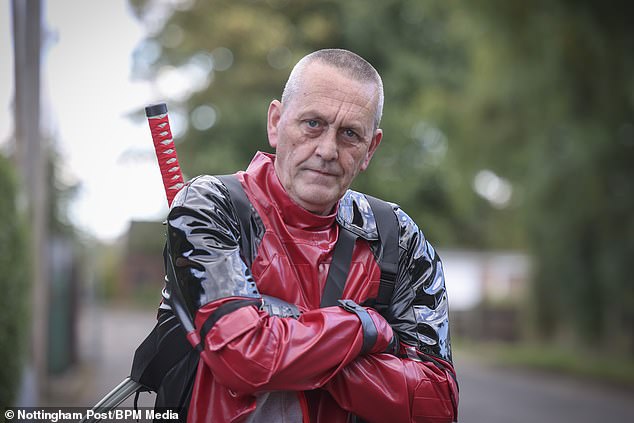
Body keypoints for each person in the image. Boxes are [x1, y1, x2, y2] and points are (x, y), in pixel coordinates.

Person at [159, 48, 458, 423]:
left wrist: (285, 344)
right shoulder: (209, 207)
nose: (328, 150)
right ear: (276, 122)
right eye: (313, 124)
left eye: (350, 134)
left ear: (371, 149)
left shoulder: (396, 238)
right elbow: (243, 360)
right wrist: (362, 328)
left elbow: (437, 405)